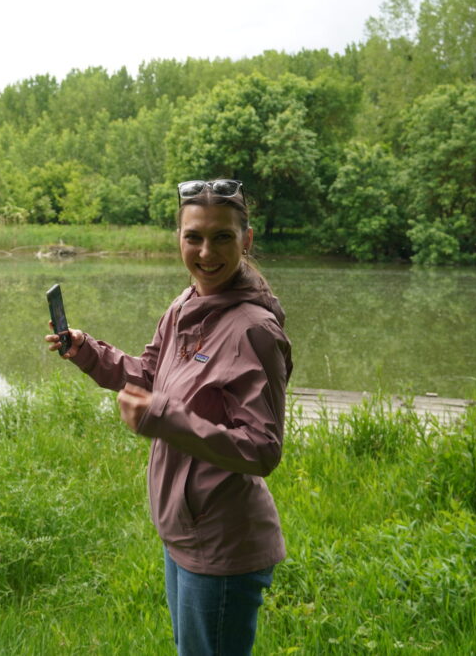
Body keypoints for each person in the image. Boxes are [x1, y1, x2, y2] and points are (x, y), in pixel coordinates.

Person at [45, 179, 293, 655]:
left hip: (223, 542)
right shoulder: (184, 305)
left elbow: (262, 449)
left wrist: (162, 416)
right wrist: (87, 351)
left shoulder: (254, 331)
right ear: (178, 238)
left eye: (222, 237)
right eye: (193, 236)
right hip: (184, 530)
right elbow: (149, 373)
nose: (206, 252)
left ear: (246, 239)